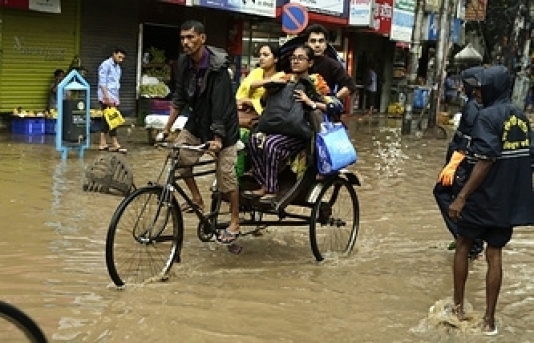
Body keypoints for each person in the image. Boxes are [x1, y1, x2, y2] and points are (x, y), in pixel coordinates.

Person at [447, 65, 534, 336]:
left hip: (482, 196)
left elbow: (485, 159)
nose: (476, 92)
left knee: (463, 245)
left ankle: (458, 308)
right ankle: (489, 321)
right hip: (506, 201)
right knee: (494, 254)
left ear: (492, 87)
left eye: (480, 88)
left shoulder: (486, 117)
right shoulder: (521, 117)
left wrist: (461, 197)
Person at [160, 20, 240, 245]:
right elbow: (179, 97)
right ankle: (196, 197)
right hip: (198, 121)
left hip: (223, 125)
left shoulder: (219, 67)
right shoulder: (184, 62)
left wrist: (217, 139)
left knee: (226, 175)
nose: (186, 42)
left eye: (190, 37)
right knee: (178, 157)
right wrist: (167, 128)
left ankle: (235, 220)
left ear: (202, 39)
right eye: (183, 38)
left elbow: (221, 105)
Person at [243, 45, 333, 201]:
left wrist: (309, 101)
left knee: (271, 144)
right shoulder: (283, 79)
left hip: (300, 132)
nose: (295, 61)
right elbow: (265, 103)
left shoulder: (316, 82)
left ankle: (272, 190)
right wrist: (270, 90)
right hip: (278, 127)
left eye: (300, 58)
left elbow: (333, 107)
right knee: (253, 140)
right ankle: (263, 184)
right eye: (293, 58)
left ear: (310, 63)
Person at [433, 66, 484, 258]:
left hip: (462, 162)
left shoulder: (473, 106)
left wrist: (453, 164)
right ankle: (469, 239)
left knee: (443, 193)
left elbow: (466, 139)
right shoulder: (480, 104)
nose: (462, 87)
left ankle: (468, 240)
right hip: (467, 161)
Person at [302, 24, 357, 102]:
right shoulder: (298, 62)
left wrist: (332, 100)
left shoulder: (333, 65)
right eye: (313, 41)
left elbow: (350, 86)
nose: (317, 45)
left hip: (323, 111)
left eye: (321, 41)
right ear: (306, 44)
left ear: (325, 45)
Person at [235, 43, 284, 122]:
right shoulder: (256, 72)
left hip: (268, 118)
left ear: (276, 59)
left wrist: (250, 102)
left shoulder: (281, 77)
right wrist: (270, 81)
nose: (261, 58)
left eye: (265, 55)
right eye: (260, 55)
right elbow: (246, 86)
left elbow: (271, 102)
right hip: (245, 114)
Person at [97, 47, 127, 153]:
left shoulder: (118, 68)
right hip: (106, 97)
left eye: (123, 58)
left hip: (113, 97)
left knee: (110, 120)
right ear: (114, 54)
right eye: (119, 57)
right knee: (111, 120)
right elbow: (102, 82)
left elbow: (116, 84)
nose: (121, 60)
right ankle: (114, 143)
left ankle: (103, 143)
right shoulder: (106, 65)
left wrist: (116, 99)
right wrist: (106, 98)